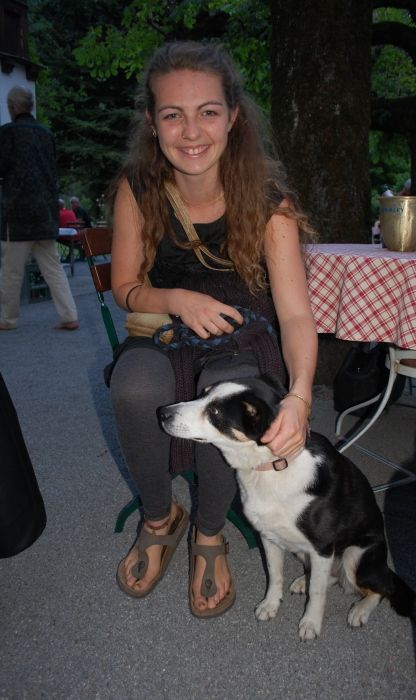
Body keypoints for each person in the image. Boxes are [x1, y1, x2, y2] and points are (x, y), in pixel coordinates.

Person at [109, 41, 318, 616]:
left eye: (207, 111)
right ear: (152, 123)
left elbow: (296, 315)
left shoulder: (270, 202)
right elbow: (124, 286)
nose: (191, 131)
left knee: (228, 391)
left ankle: (209, 530)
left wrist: (300, 397)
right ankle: (160, 517)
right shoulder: (138, 188)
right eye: (172, 114)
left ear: (233, 117)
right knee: (133, 388)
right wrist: (176, 298)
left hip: (243, 337)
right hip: (167, 330)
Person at [0, 86, 79, 331]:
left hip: (17, 214)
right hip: (45, 213)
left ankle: (7, 319)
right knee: (53, 268)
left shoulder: (7, 133)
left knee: (11, 271)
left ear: (13, 108)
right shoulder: (46, 134)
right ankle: (69, 316)